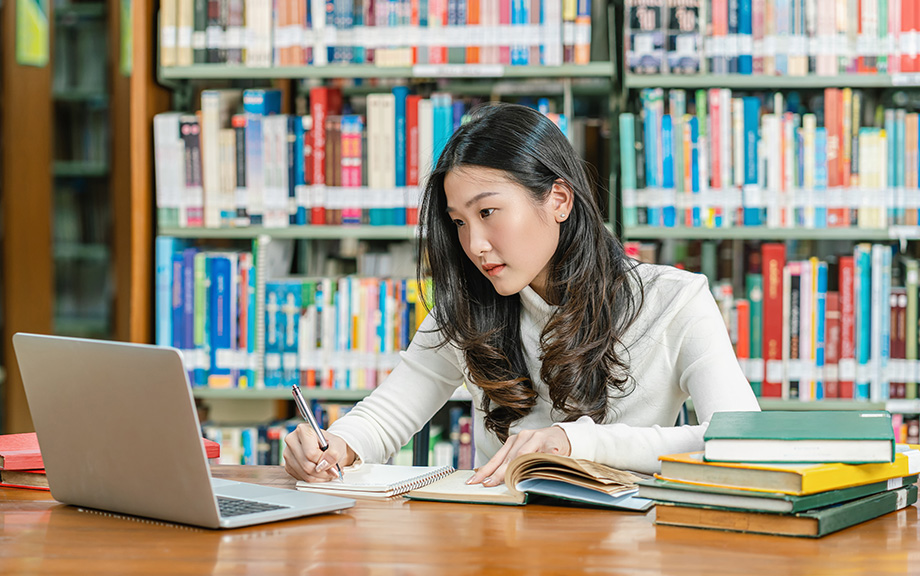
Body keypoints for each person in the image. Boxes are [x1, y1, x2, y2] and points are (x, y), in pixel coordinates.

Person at [284, 102, 759, 486]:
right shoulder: (469, 309)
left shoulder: (675, 301)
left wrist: (576, 443)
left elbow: (742, 442)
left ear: (559, 200)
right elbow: (387, 415)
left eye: (488, 212)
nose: (474, 245)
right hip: (501, 542)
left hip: (627, 545)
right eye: (459, 222)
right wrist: (333, 445)